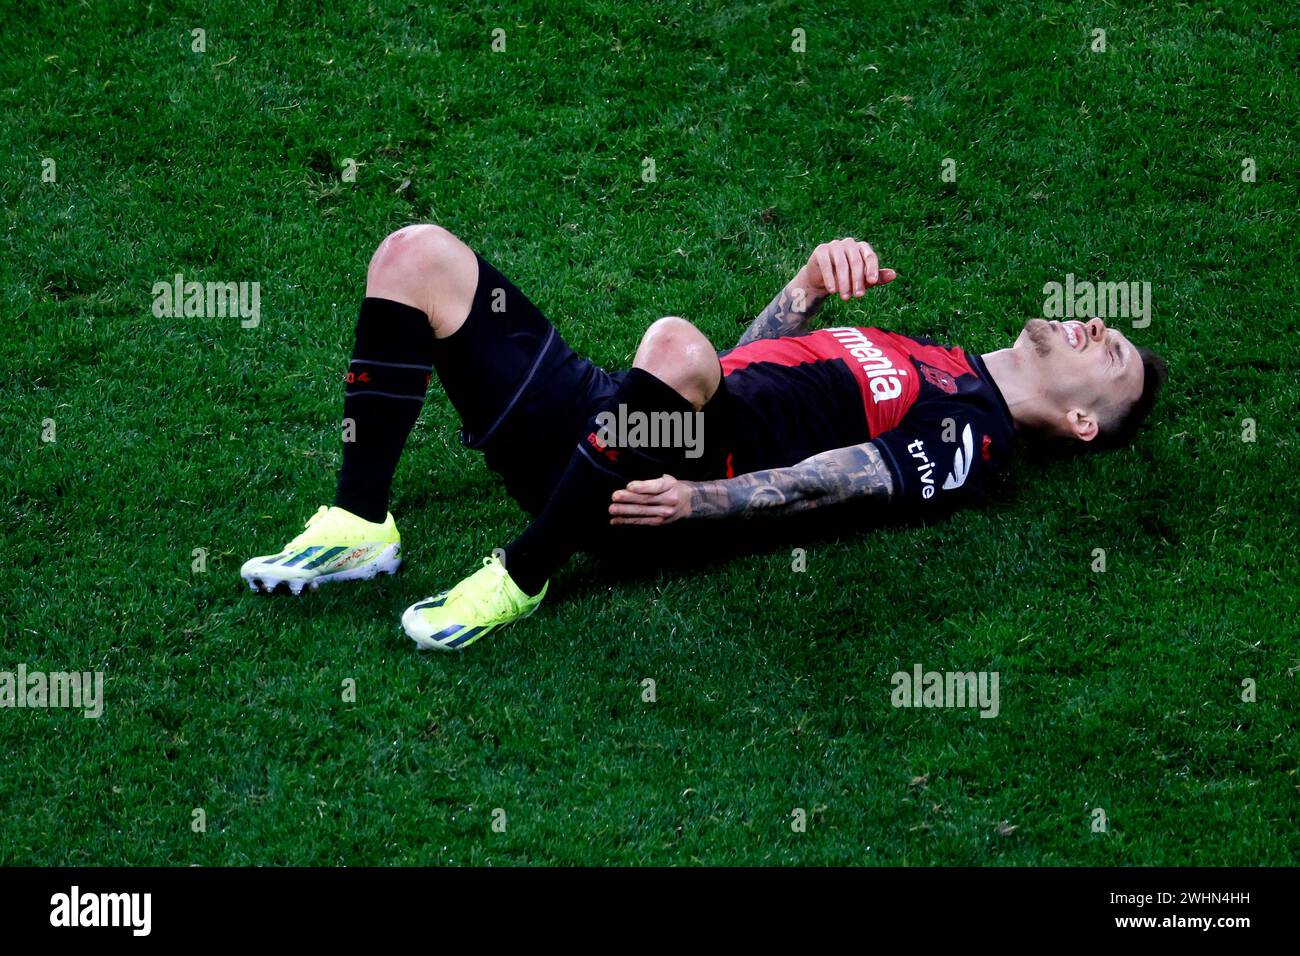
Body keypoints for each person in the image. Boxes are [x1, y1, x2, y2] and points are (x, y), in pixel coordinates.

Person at [240, 225, 1167, 651]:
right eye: (1101, 324)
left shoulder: (976, 436)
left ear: (1083, 423)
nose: (1092, 327)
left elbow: (841, 483)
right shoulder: (929, 353)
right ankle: (361, 522)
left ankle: (518, 577)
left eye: (1109, 353)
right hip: (626, 421)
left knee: (679, 346)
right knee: (417, 256)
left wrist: (698, 502)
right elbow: (750, 367)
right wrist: (804, 286)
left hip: (658, 488)